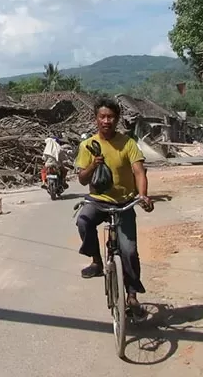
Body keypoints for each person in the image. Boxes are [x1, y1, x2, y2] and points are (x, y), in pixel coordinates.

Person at [75, 98, 153, 316]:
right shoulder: (87, 145)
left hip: (124, 202)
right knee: (83, 221)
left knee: (129, 251)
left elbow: (139, 172)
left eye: (110, 117)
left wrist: (143, 196)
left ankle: (132, 296)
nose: (106, 120)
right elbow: (82, 179)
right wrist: (93, 165)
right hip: (98, 200)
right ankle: (97, 261)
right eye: (102, 117)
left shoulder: (127, 143)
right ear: (96, 119)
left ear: (117, 120)